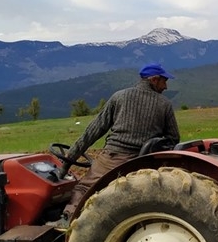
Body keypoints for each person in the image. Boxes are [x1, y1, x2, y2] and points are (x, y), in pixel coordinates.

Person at [49, 62, 180, 228]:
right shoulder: (164, 104)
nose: (166, 86)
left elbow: (92, 132)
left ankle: (67, 222)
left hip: (114, 157)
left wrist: (66, 165)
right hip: (144, 160)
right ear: (154, 80)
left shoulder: (119, 97)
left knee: (83, 188)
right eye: (164, 81)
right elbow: (173, 138)